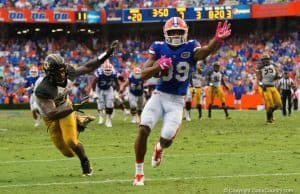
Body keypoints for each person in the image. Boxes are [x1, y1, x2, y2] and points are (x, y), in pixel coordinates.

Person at [132, 17, 231, 186]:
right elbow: (141, 74)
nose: (176, 35)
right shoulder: (158, 47)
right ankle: (139, 173)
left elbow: (205, 51)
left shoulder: (191, 46)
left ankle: (159, 148)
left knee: (167, 139)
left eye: (179, 32)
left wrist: (217, 40)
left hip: (177, 101)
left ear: (185, 33)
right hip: (159, 95)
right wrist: (158, 66)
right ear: (166, 33)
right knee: (143, 129)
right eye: (173, 32)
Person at [34, 40, 118, 176]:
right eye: (58, 72)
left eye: (63, 70)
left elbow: (89, 66)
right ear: (50, 74)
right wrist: (73, 108)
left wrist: (106, 54)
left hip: (65, 107)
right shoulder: (43, 90)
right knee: (67, 153)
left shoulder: (67, 71)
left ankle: (85, 162)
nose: (62, 74)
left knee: (71, 141)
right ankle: (78, 119)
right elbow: (52, 114)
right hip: (52, 116)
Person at [92, 59, 124, 127]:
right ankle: (101, 116)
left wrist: (116, 92)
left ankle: (108, 120)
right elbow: (93, 82)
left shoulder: (114, 73)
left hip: (109, 88)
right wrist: (94, 92)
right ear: (103, 69)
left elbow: (117, 83)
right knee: (101, 105)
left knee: (110, 104)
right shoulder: (99, 72)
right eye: (106, 70)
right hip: (99, 88)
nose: (108, 72)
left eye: (109, 70)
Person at [256, 53, 282, 123]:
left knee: (279, 104)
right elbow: (258, 78)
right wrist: (261, 85)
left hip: (273, 86)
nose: (265, 61)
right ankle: (268, 119)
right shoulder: (259, 67)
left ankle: (270, 114)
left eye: (266, 59)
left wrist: (278, 76)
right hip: (265, 87)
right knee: (270, 104)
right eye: (264, 60)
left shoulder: (273, 66)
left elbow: (276, 76)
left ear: (269, 60)